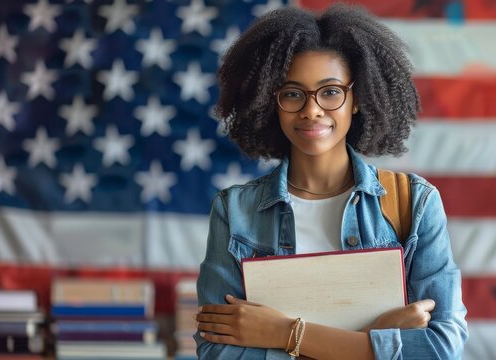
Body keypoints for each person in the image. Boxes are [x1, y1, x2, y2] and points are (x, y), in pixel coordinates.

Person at [194, 4, 468, 359]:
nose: (311, 110)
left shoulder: (414, 203)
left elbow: (442, 348)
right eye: (292, 93)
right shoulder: (234, 211)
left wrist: (284, 333)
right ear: (269, 103)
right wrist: (375, 338)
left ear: (357, 99)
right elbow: (217, 351)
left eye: (330, 91)